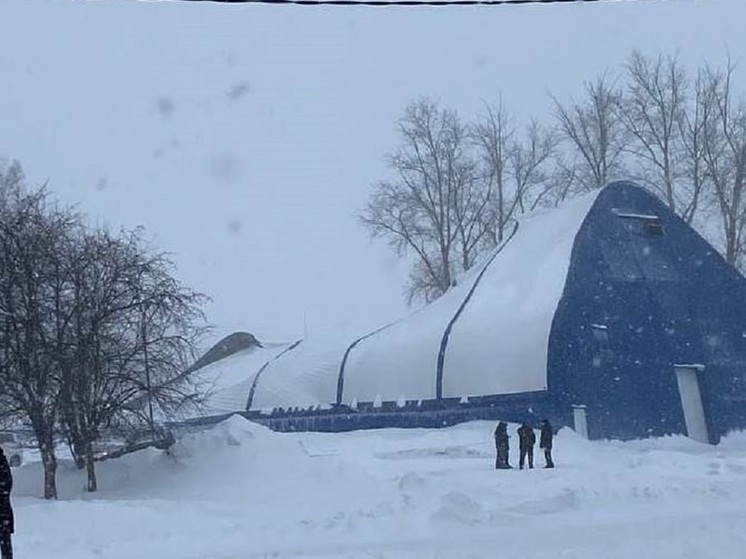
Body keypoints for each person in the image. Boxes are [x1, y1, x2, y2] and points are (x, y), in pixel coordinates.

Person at [0, 447, 13, 559]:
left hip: (2, 510)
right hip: (3, 510)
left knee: (5, 543)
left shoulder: (1, 461)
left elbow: (7, 482)